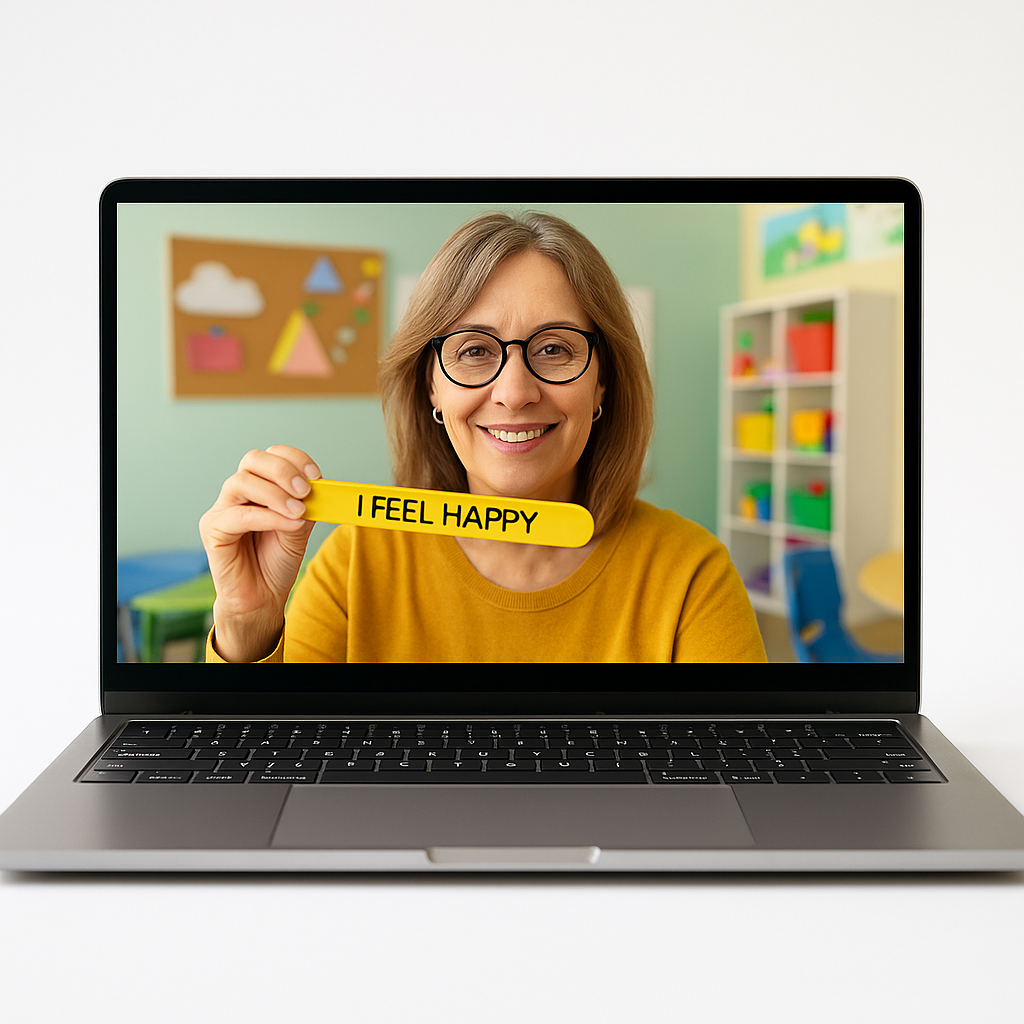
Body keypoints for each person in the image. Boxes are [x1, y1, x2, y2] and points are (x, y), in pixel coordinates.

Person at [199, 211, 767, 663]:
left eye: (554, 348)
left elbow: (732, 796)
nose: (514, 392)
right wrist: (247, 629)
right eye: (474, 351)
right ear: (432, 390)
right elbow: (267, 787)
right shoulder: (356, 563)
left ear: (602, 385)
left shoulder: (692, 575)